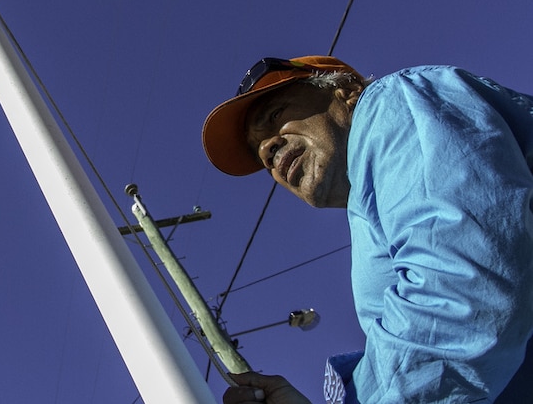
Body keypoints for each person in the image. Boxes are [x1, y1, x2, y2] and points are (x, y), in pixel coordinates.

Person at [202, 56, 533, 404]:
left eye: (274, 115)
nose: (268, 149)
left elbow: (464, 290)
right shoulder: (371, 199)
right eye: (262, 157)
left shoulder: (390, 103)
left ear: (346, 90)